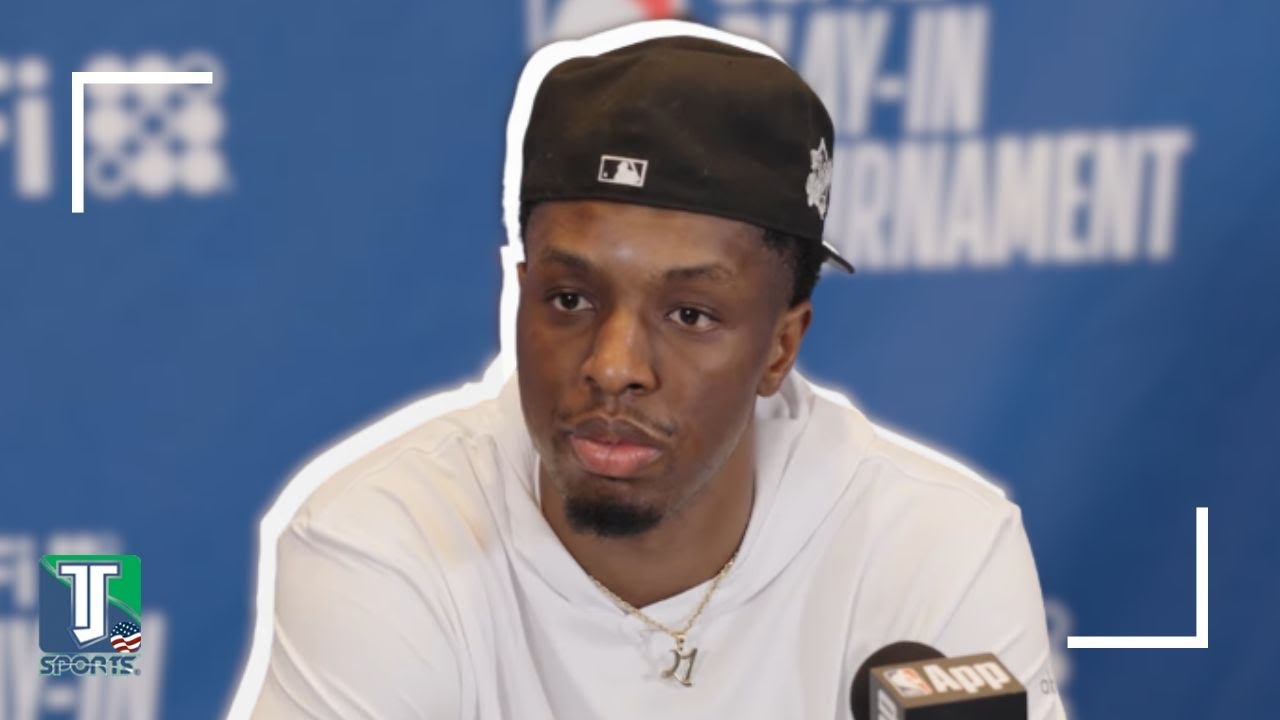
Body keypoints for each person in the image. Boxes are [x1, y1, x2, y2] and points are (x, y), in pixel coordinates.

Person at [235, 21, 1066, 720]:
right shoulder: (385, 538)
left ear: (780, 347)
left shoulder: (933, 547)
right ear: (518, 293)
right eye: (569, 299)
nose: (612, 367)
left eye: (690, 315)